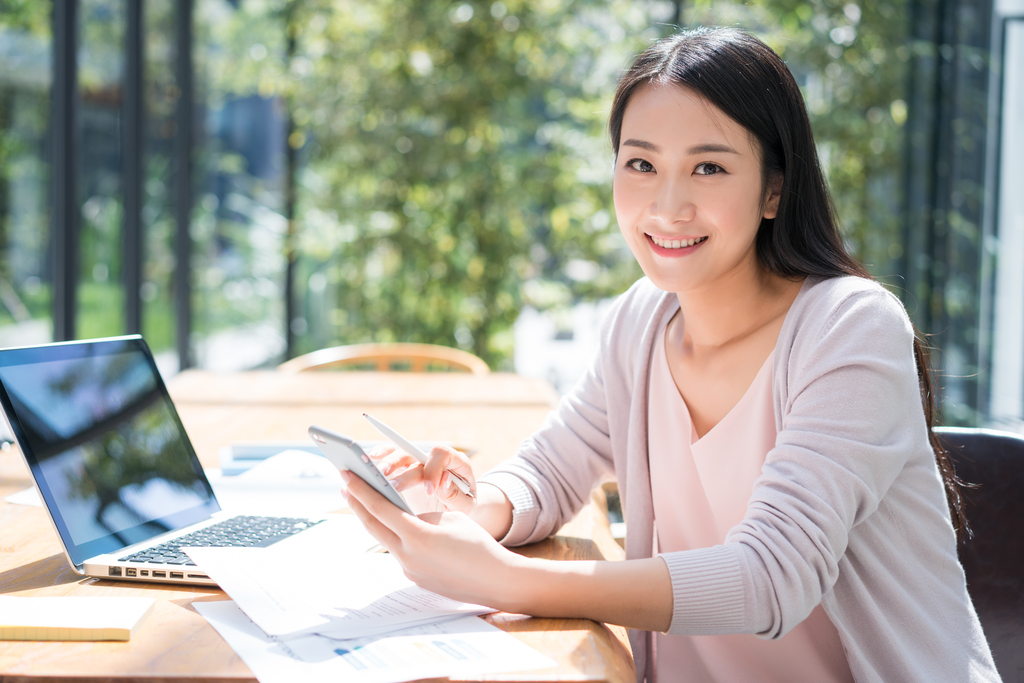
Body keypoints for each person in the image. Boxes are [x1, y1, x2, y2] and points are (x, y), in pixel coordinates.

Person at [340, 27, 1001, 683]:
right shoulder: (640, 320)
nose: (667, 205)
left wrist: (511, 580)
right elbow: (551, 469)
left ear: (775, 189)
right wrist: (470, 501)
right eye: (641, 163)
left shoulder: (850, 328)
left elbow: (771, 576)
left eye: (709, 167)